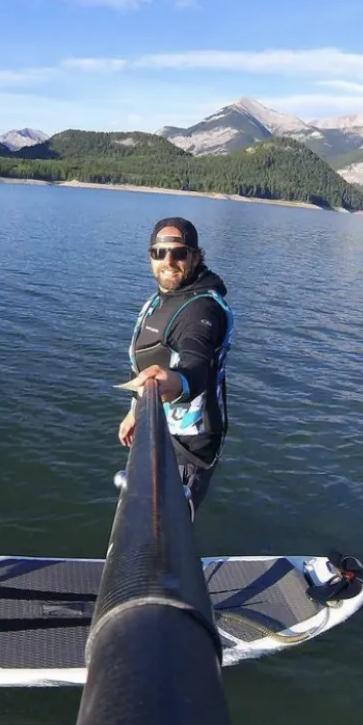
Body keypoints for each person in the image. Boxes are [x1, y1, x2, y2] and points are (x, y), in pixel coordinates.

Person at [119, 217, 234, 518]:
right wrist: (135, 410)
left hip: (187, 447)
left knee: (167, 532)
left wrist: (178, 383)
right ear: (150, 256)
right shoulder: (161, 300)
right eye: (159, 253)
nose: (168, 261)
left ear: (196, 256)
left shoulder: (202, 309)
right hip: (154, 428)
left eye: (179, 253)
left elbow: (197, 362)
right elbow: (147, 357)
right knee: (141, 521)